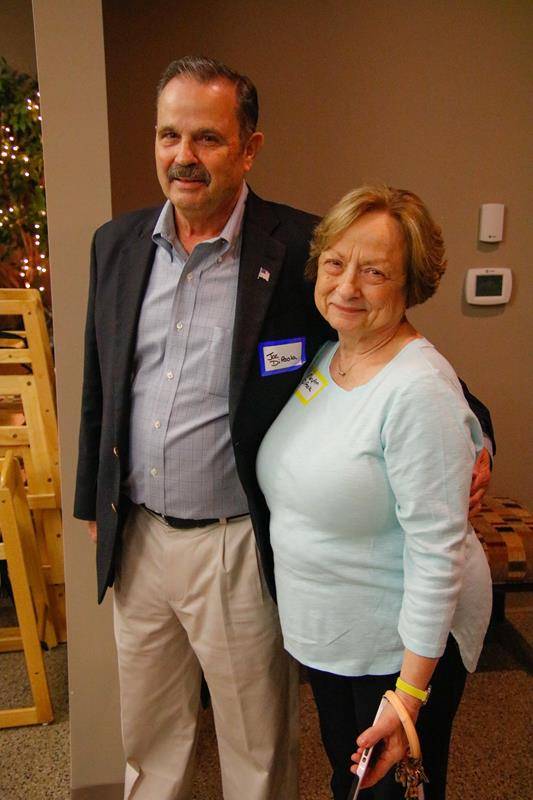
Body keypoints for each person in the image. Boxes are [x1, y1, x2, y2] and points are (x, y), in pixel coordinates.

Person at [74, 56, 493, 799]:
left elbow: (400, 358)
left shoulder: (304, 249)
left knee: (255, 741)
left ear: (249, 149)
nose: (183, 156)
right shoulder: (117, 243)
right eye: (169, 135)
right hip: (136, 536)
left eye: (207, 138)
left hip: (234, 540)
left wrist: (477, 441)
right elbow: (99, 384)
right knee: (149, 734)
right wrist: (92, 502)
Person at [256, 185, 493, 800]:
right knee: (351, 785)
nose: (346, 286)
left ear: (411, 284)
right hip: (338, 637)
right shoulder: (330, 354)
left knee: (391, 793)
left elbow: (437, 551)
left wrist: (408, 697)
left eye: (375, 272)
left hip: (396, 651)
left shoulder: (417, 389)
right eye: (335, 263)